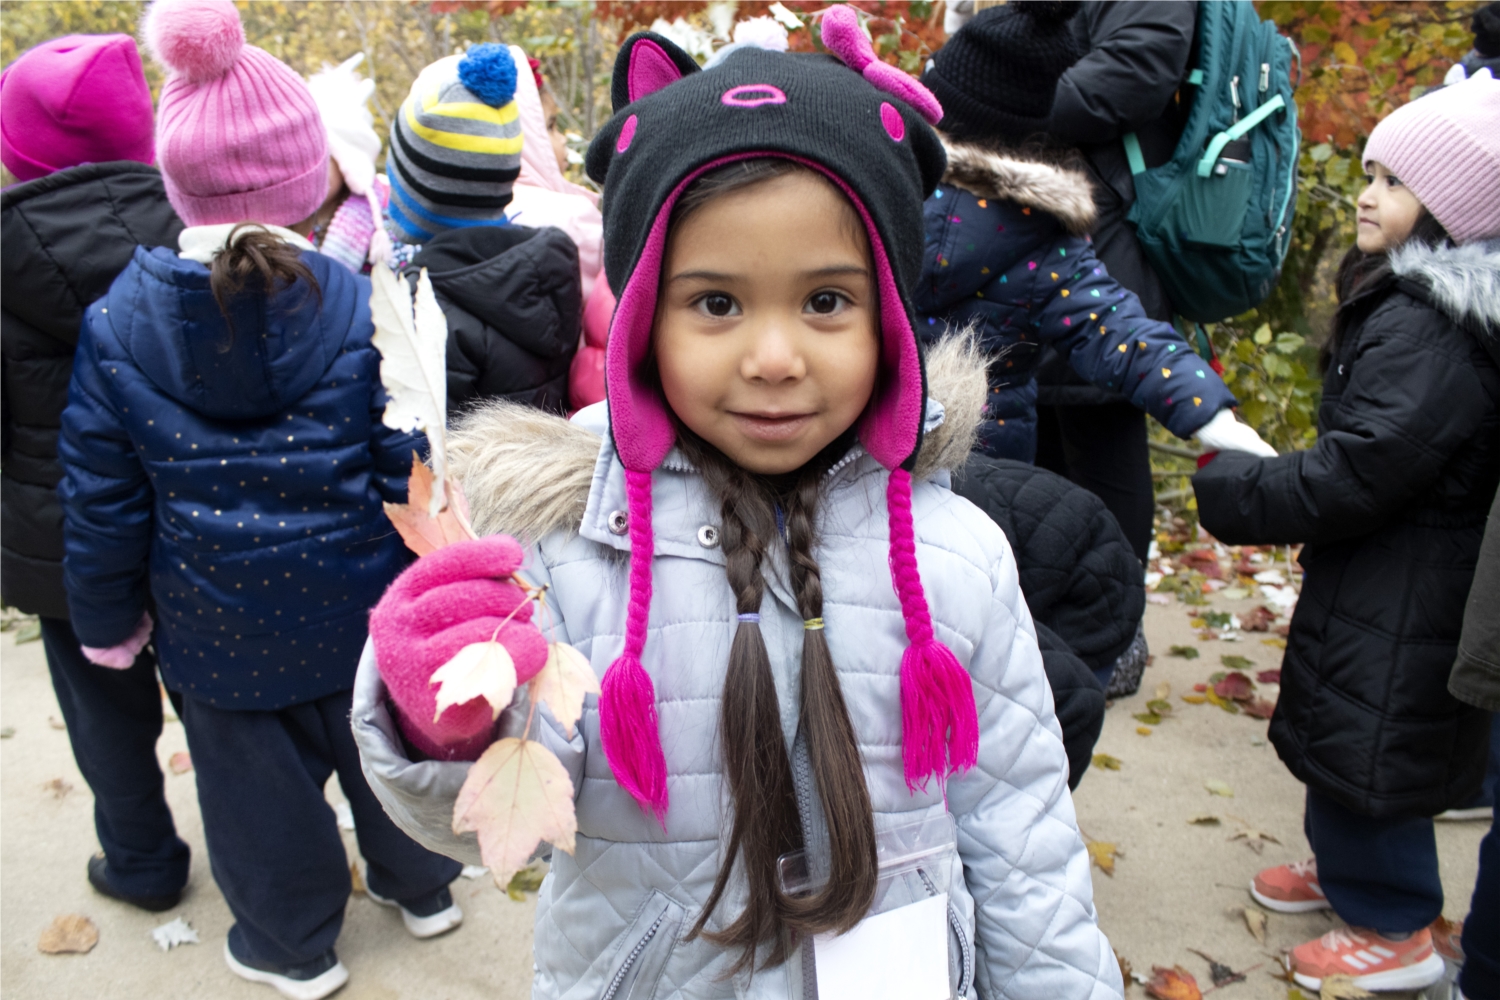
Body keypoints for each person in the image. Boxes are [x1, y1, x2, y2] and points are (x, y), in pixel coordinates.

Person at [353, 19, 1125, 999]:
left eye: (825, 302)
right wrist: (440, 722)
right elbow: (476, 817)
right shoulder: (567, 554)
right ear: (640, 323)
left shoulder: (954, 556)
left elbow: (1023, 836)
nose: (773, 355)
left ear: (887, 315)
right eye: (716, 303)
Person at [57, 2, 464, 996]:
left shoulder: (117, 325)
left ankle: (292, 945)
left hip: (216, 638)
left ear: (175, 183)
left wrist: (110, 624)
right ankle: (424, 886)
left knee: (256, 800)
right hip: (358, 608)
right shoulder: (357, 293)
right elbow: (401, 454)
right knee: (381, 750)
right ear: (306, 173)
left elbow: (103, 502)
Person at [1192, 75, 1500, 994]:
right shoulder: (1415, 305)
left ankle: (1394, 923)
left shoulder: (1435, 325)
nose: (1366, 195)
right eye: (1369, 172)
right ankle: (1350, 868)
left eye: (1395, 183)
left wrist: (1241, 491)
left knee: (1373, 743)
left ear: (1452, 209)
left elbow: (1361, 468)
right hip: (1386, 571)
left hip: (1411, 581)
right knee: (1345, 726)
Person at [914, 4, 1271, 482]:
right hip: (985, 479)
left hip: (866, 458)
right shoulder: (1043, 242)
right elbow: (1121, 331)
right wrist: (1207, 411)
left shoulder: (880, 197)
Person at [1, 31, 192, 914]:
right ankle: (272, 847)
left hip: (60, 548)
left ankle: (143, 864)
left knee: (103, 718)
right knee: (220, 706)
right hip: (200, 526)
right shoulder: (199, 234)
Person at [1038, 0, 1197, 566]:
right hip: (1049, 234)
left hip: (1105, 248)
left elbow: (1134, 72)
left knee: (1101, 451)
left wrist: (999, 94)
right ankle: (1042, 632)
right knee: (1040, 456)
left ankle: (1115, 632)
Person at [386, 45, 581, 415]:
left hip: (466, 472)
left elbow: (424, 447)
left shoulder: (425, 302)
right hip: (537, 465)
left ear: (417, 191)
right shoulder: (546, 265)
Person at [505, 47, 613, 410]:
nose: (563, 139)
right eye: (549, 126)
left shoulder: (466, 212)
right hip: (578, 403)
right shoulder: (570, 217)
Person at [304, 52, 391, 273]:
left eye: (323, 160)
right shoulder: (285, 218)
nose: (309, 169)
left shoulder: (381, 225)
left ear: (350, 166)